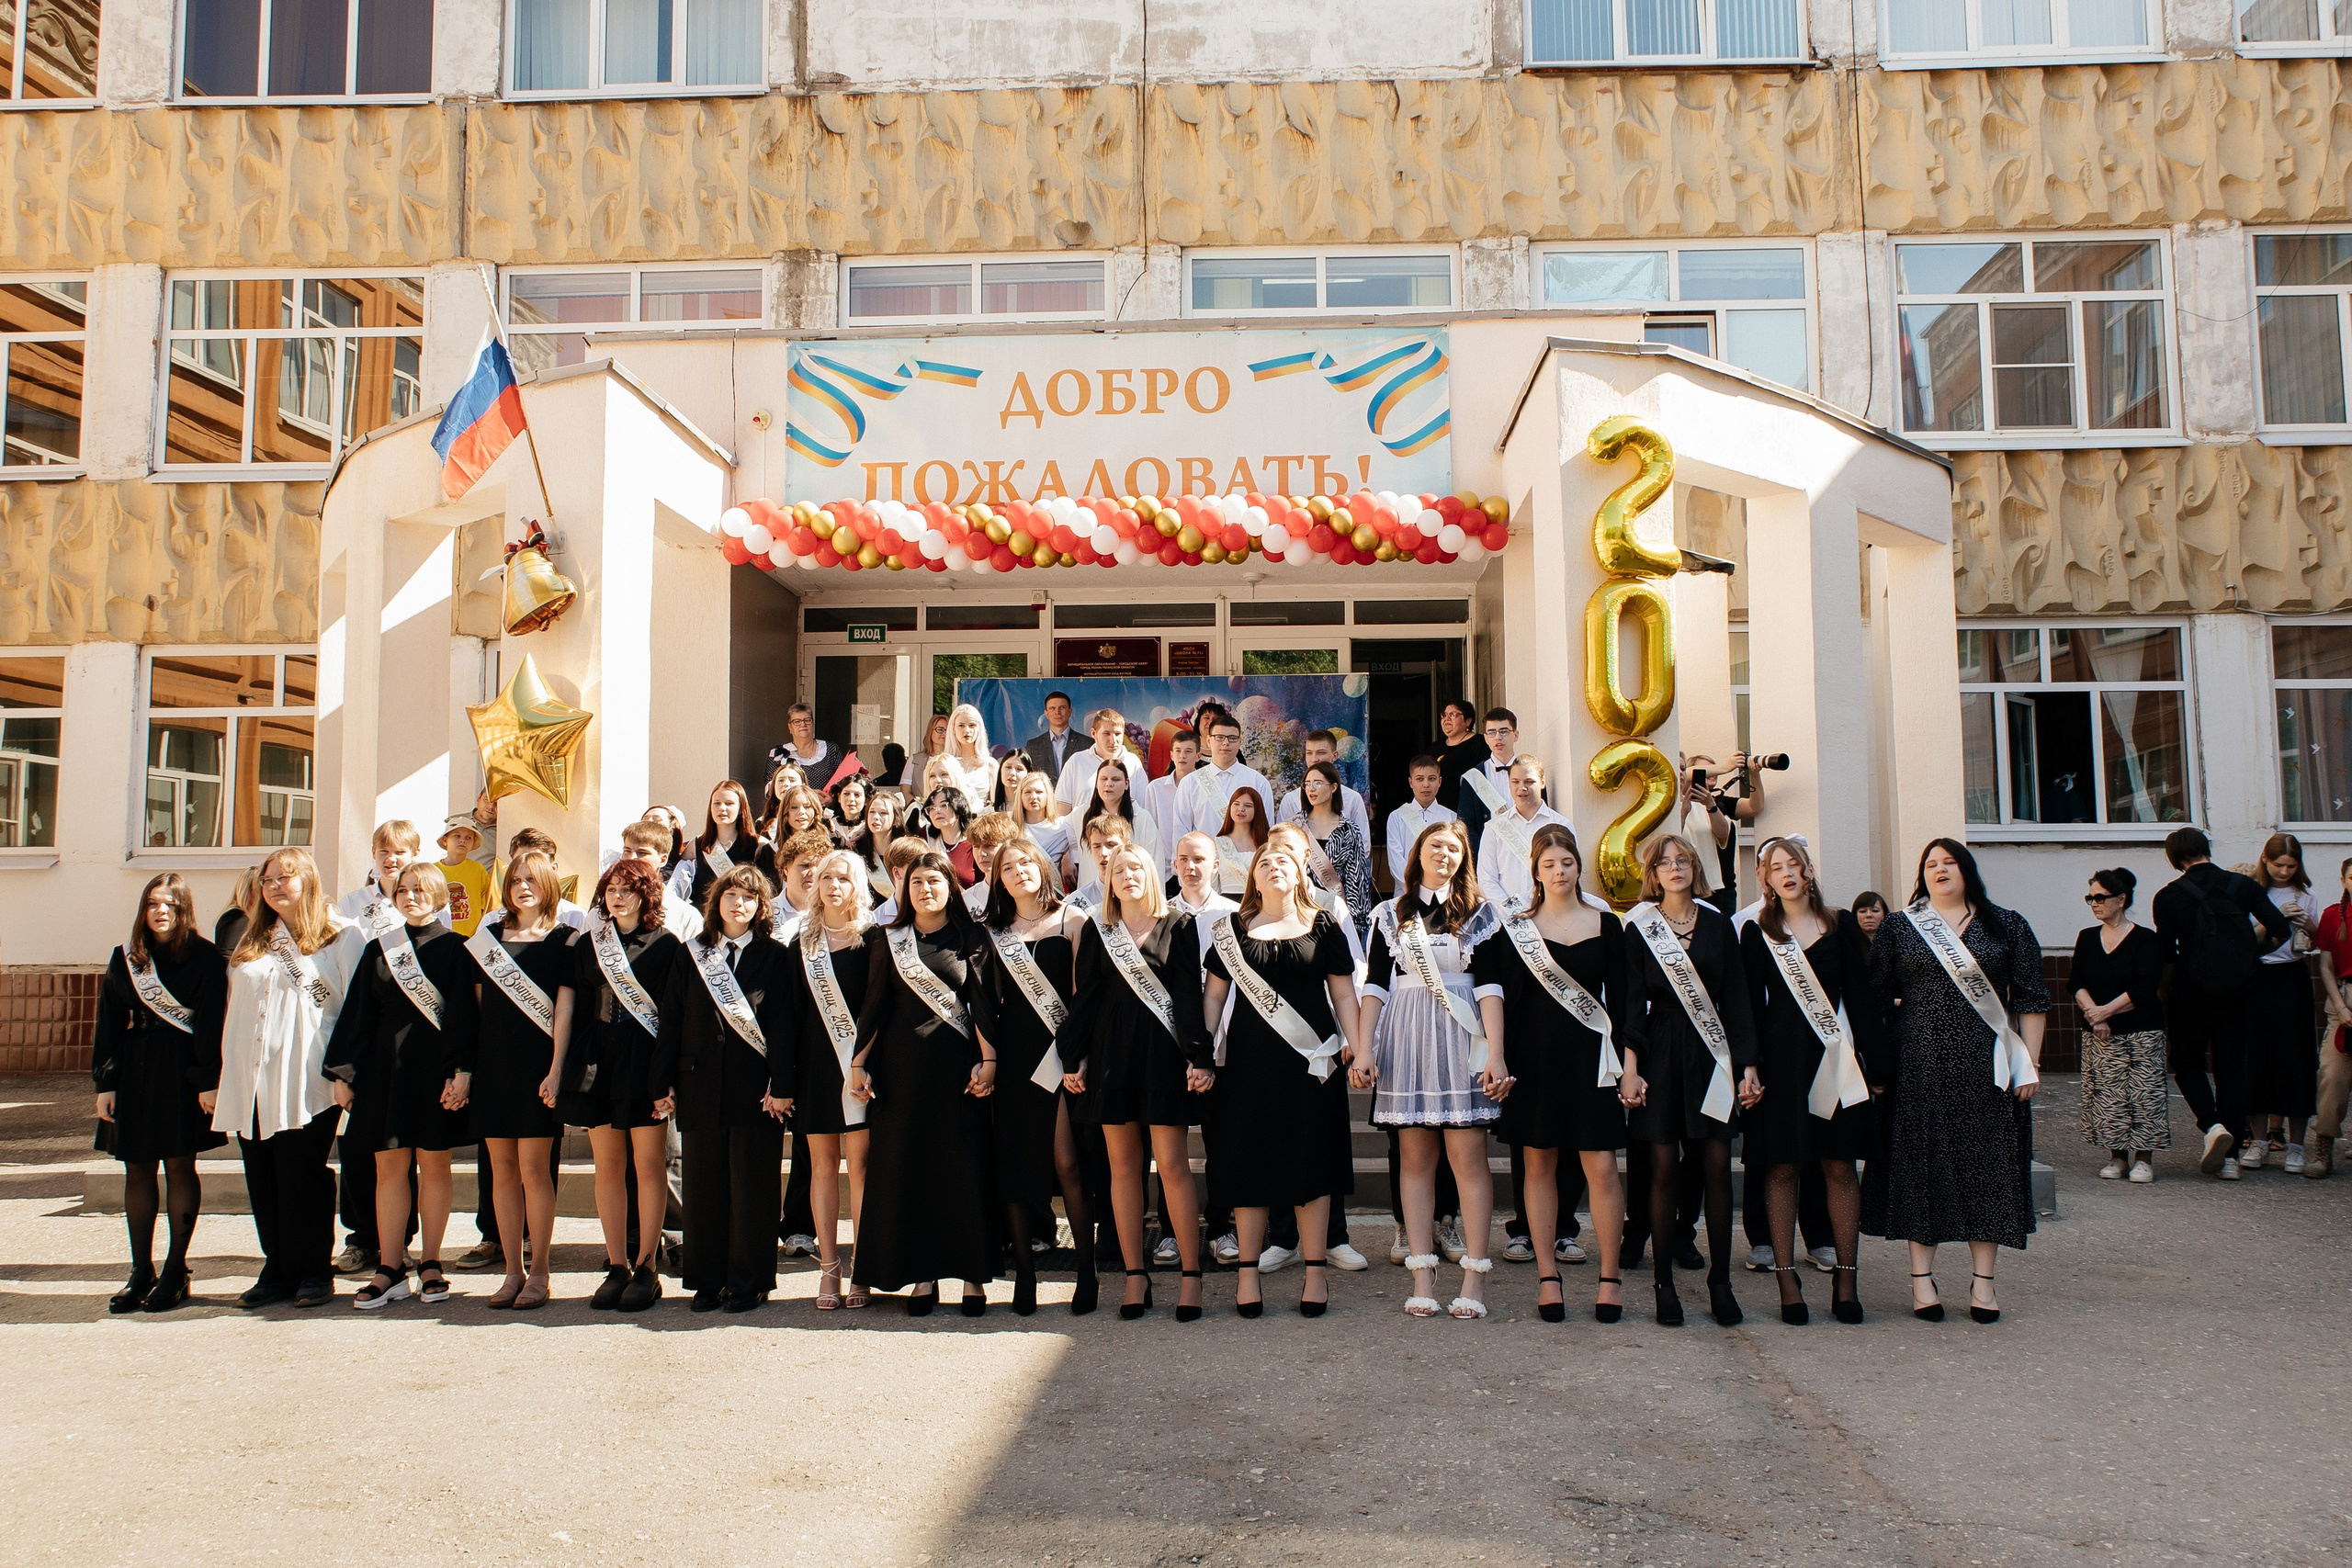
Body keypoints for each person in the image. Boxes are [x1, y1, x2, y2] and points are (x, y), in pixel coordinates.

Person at [1862, 839, 2046, 1325]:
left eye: (1949, 863)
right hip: (1918, 1069)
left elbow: (2031, 998)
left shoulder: (2006, 924)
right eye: (1931, 864)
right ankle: (1921, 1280)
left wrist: (2029, 1063)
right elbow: (1874, 997)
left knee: (1988, 1171)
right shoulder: (1901, 926)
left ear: (1967, 869)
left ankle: (1983, 1282)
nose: (1939, 870)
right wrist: (1876, 1065)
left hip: (1989, 1069)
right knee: (1921, 1170)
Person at [1202, 840, 1368, 1317]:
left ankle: (1315, 1273)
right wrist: (1202, 1052)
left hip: (1312, 1063)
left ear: (1299, 874)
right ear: (1252, 877)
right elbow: (1214, 997)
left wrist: (1360, 1050)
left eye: (1284, 862)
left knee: (1312, 1164)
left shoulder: (1324, 924)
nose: (1274, 867)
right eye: (1265, 863)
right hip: (1249, 1065)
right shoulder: (1232, 929)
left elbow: (1343, 995)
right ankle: (1248, 1274)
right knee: (1250, 1163)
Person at [1356, 820, 1510, 1320]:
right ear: (1418, 852)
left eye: (1453, 848)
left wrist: (1496, 1053)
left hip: (1463, 1037)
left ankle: (1474, 1276)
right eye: (1434, 845)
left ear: (1464, 858)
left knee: (1468, 1158)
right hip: (1408, 1037)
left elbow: (1490, 986)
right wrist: (1364, 1048)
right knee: (1415, 1159)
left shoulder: (1480, 913)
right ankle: (1422, 1274)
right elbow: (1375, 987)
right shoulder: (1390, 914)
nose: (1443, 853)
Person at [1481, 825, 1628, 1324]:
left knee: (1602, 1168)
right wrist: (1498, 1056)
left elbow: (1624, 1003)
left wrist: (1629, 1066)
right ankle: (1548, 1276)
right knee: (1538, 1165)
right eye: (1549, 864)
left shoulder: (1607, 925)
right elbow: (1497, 995)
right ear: (1536, 872)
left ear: (1578, 866)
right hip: (1535, 1061)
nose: (1559, 871)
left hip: (1593, 1061)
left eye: (1567, 862)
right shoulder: (1516, 930)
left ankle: (1610, 1277)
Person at [850, 851, 1004, 1316]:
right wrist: (859, 1064)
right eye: (916, 882)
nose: (924, 889)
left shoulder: (971, 936)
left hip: (956, 1072)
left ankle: (973, 1277)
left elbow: (982, 1003)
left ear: (950, 888)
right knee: (911, 1170)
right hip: (901, 1073)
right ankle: (923, 1276)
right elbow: (874, 1006)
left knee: (963, 1170)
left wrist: (989, 1060)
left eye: (934, 881)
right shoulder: (888, 938)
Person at [212, 847, 366, 1310]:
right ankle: (277, 1268)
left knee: (302, 1174)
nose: (276, 886)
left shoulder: (342, 935)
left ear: (309, 881)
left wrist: (346, 1073)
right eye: (269, 879)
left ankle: (314, 1271)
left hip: (309, 1078)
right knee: (262, 1174)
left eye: (286, 877)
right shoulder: (253, 937)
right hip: (252, 1077)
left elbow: (358, 1010)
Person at [1064, 842, 1212, 1320]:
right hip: (1112, 1053)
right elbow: (1086, 997)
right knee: (1123, 1167)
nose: (1128, 876)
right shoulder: (1098, 928)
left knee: (1172, 1165)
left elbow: (1187, 994)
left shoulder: (1179, 925)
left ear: (1151, 875)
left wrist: (1198, 1053)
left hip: (1162, 1053)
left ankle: (1191, 1275)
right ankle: (1134, 1275)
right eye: (1119, 870)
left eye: (1136, 869)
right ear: (1109, 881)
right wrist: (1076, 1056)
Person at [1619, 833, 1760, 1327]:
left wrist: (1748, 1065)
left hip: (1710, 1054)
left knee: (1717, 1164)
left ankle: (1720, 1283)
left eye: (1682, 860)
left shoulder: (1720, 925)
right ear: (1653, 875)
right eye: (1664, 863)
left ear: (1695, 867)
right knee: (1662, 1167)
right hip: (1658, 1050)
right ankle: (1663, 1284)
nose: (1674, 868)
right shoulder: (1640, 928)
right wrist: (1630, 1069)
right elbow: (1631, 1004)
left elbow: (1738, 998)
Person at [322, 861, 477, 1311]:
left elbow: (465, 1017)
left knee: (435, 1165)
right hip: (384, 1073)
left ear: (439, 895)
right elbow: (359, 1015)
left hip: (435, 1071)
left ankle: (431, 1263)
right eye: (404, 889)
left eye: (420, 889)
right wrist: (344, 1073)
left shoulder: (458, 949)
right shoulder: (380, 948)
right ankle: (390, 1267)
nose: (410, 896)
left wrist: (462, 1071)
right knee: (388, 1168)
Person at [1740, 837, 1880, 1326]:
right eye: (1776, 867)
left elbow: (1861, 998)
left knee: (1840, 1167)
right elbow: (1747, 1004)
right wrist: (1749, 1065)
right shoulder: (1758, 932)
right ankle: (1786, 1280)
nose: (1786, 873)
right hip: (1781, 1064)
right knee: (1782, 1169)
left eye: (1793, 865)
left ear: (1809, 871)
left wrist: (1876, 1066)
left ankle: (1847, 1278)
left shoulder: (1841, 926)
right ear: (1767, 879)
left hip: (1834, 1061)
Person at [652, 863, 793, 1313]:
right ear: (716, 902)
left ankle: (750, 1281)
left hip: (756, 1092)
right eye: (731, 895)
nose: (739, 904)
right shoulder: (691, 953)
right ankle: (707, 1280)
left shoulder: (776, 957)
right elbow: (671, 1020)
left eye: (749, 897)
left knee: (753, 1188)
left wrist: (782, 1084)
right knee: (704, 1188)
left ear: (761, 906)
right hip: (699, 1085)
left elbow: (785, 1026)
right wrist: (663, 1081)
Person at [549, 857, 680, 1313]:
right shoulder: (590, 943)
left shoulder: (666, 945)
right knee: (607, 1165)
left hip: (645, 1060)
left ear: (646, 894)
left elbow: (673, 1016)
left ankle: (648, 1267)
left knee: (648, 1165)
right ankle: (617, 1265)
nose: (618, 896)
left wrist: (667, 1077)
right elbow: (569, 1007)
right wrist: (557, 1068)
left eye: (628, 888)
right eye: (611, 889)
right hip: (598, 1059)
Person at [94, 874, 228, 1314]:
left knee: (179, 1165)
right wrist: (105, 1082)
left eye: (170, 903)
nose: (160, 911)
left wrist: (208, 1079)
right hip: (135, 1071)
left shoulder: (205, 956)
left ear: (183, 908)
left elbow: (211, 1021)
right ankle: (141, 1271)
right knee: (136, 1168)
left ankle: (175, 1269)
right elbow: (110, 1021)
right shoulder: (127, 956)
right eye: (152, 903)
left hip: (183, 1071)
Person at [981, 836, 1100, 1315]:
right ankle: (1025, 1275)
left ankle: (1087, 1272)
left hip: (1061, 1054)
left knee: (1067, 1163)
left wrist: (1076, 1056)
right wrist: (989, 1059)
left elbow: (1083, 994)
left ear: (1043, 867)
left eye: (1026, 863)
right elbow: (985, 1003)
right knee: (1015, 1164)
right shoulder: (992, 932)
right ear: (999, 880)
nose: (1018, 872)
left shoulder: (1073, 920)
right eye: (1008, 868)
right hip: (1014, 1057)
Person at [462, 852, 571, 1310]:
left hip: (537, 1068)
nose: (523, 887)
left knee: (533, 1170)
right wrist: (468, 1071)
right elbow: (476, 1009)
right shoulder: (486, 938)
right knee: (501, 1171)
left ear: (548, 884)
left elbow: (565, 1010)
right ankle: (511, 1272)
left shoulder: (564, 939)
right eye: (516, 880)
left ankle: (540, 1271)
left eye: (532, 879)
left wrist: (557, 1069)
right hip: (495, 1068)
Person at [2151, 827, 2292, 1179]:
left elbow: (2165, 954)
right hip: (2240, 991)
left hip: (2189, 992)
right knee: (2231, 1068)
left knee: (2186, 1063)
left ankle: (2213, 1126)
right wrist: (2250, 954)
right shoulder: (2242, 886)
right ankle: (2230, 1160)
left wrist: (2163, 994)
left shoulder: (2168, 897)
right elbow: (2281, 928)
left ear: (2174, 857)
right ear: (2205, 849)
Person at [778, 849, 883, 1310]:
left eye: (843, 878)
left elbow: (878, 1008)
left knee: (860, 1169)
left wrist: (865, 1062)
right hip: (816, 1070)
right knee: (821, 1167)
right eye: (826, 878)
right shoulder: (801, 944)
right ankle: (828, 1269)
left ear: (857, 885)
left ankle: (862, 1266)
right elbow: (788, 1017)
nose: (833, 885)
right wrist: (783, 1079)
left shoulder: (875, 938)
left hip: (860, 1069)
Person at [329, 818, 427, 1277]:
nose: (391, 859)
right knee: (358, 1145)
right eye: (383, 851)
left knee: (401, 1143)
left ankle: (398, 1240)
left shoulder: (428, 898)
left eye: (400, 852)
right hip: (362, 1025)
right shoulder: (352, 904)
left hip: (406, 1036)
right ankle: (361, 1238)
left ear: (414, 855)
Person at [2071, 868, 2169, 1187]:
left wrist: (2105, 1012)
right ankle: (2117, 1156)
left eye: (2100, 898)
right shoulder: (2087, 937)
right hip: (2100, 1031)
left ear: (2121, 899)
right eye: (2090, 898)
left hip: (2141, 1029)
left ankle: (2144, 1159)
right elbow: (2076, 982)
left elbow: (2145, 987)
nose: (2094, 904)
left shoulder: (2145, 939)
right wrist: (2095, 1016)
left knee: (2144, 1095)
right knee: (2108, 1095)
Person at [2245, 833, 2323, 1173]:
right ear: (2265, 860)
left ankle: (2296, 1146)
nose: (2284, 872)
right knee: (2256, 1058)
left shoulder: (2305, 894)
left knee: (2296, 1058)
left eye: (2291, 866)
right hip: (2257, 975)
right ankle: (2259, 1142)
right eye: (2278, 865)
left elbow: (2314, 942)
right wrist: (2273, 919)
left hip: (2292, 976)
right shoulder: (2252, 893)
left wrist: (2309, 925)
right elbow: (2243, 940)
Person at [1476, 755, 1574, 915]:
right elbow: (1487, 879)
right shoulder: (1494, 828)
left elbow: (1570, 872)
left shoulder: (1562, 825)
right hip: (1506, 919)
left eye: (1529, 781)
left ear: (1542, 782)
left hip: (1552, 916)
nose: (1522, 788)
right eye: (1515, 782)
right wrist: (1513, 912)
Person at [2307, 857, 2352, 1180]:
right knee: (2333, 1077)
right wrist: (2341, 1008)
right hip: (2345, 1001)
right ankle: (2324, 1147)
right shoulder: (2333, 916)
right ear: (2343, 881)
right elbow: (2325, 966)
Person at [1296, 761, 1374, 941]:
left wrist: (1353, 923)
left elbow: (1356, 879)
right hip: (1300, 915)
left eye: (1317, 783)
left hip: (1336, 916)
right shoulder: (1294, 828)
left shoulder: (1348, 830)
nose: (1311, 789)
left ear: (1333, 787)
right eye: (1307, 784)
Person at [1176, 709, 1274, 840]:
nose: (1225, 743)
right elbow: (1181, 830)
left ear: (1240, 742)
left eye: (1232, 738)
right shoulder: (1190, 782)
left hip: (1247, 853)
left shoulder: (1257, 782)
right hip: (1204, 853)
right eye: (1219, 737)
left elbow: (1266, 830)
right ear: (1209, 740)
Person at [1073, 755, 1162, 896]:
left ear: (1127, 784)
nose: (1109, 784)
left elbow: (1155, 865)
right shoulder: (1080, 815)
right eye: (1104, 779)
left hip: (1131, 898)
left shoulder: (1142, 818)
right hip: (1091, 898)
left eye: (1116, 779)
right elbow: (1054, 832)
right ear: (1096, 784)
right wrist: (1065, 857)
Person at [674, 780, 766, 912]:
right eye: (717, 803)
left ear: (741, 808)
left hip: (740, 915)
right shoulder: (697, 844)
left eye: (729, 803)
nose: (722, 808)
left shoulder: (757, 844)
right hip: (705, 917)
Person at [1275, 729, 1373, 846]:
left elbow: (1364, 844)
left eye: (1320, 753)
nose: (1314, 759)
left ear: (1335, 755)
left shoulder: (1352, 799)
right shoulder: (1291, 799)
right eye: (1309, 753)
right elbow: (1281, 843)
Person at [1453, 706, 1528, 857]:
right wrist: (1484, 858)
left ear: (1515, 735)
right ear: (1486, 738)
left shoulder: (1531, 774)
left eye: (1504, 731)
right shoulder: (1472, 778)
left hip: (1526, 854)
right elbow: (1467, 827)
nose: (1498, 738)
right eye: (1492, 732)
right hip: (1488, 858)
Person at [1385, 754, 1459, 888]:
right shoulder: (1397, 817)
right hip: (1407, 891)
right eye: (1419, 779)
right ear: (1411, 782)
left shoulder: (1451, 818)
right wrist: (1416, 888)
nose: (1426, 785)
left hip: (1443, 891)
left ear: (1439, 782)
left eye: (1432, 779)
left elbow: (1454, 857)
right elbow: (1396, 862)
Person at [1055, 706, 1143, 813]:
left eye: (1117, 734)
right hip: (1082, 824)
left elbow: (1143, 807)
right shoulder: (1076, 761)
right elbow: (1062, 810)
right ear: (1093, 733)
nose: (1113, 740)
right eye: (1106, 734)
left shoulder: (1133, 762)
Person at [1145, 728, 1202, 856]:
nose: (1182, 756)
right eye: (1178, 751)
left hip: (1196, 859)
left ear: (1198, 756)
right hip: (1164, 862)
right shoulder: (1155, 788)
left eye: (1188, 751)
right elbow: (1149, 828)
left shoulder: (1206, 788)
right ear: (1171, 755)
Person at [770, 701, 849, 794]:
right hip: (791, 802)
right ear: (790, 727)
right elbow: (770, 786)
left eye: (807, 720)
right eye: (797, 722)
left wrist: (831, 799)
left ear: (813, 723)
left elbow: (844, 781)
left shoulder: (831, 749)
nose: (803, 725)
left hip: (824, 802)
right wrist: (808, 795)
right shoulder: (778, 752)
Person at [435, 816, 495, 938]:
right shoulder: (433, 871)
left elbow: (488, 904)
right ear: (445, 840)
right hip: (440, 938)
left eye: (468, 838)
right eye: (457, 836)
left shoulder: (478, 870)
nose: (462, 840)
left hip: (471, 937)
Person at [939, 703, 997, 817]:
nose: (967, 730)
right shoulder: (944, 764)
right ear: (953, 729)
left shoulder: (990, 764)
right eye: (961, 725)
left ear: (979, 728)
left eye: (972, 725)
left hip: (981, 822)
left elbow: (996, 806)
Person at [919, 784, 980, 886]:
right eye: (932, 808)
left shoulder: (975, 844)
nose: (937, 811)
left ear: (959, 807)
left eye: (943, 805)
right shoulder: (924, 836)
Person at [1214, 786, 1270, 897]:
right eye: (1236, 804)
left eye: (1248, 806)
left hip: (1259, 902)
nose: (1241, 809)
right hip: (1226, 902)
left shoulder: (1267, 844)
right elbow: (1212, 885)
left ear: (1257, 810)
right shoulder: (1218, 843)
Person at [1434, 699, 1485, 813]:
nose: (1446, 719)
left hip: (1468, 809)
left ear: (1468, 721)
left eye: (1453, 715)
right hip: (1439, 812)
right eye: (1444, 715)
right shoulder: (1435, 748)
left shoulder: (1481, 744)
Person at [1021, 692, 1079, 783]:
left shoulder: (1087, 744)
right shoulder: (1033, 746)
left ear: (1070, 711)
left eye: (1062, 708)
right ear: (1046, 713)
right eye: (1052, 708)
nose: (1057, 712)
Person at [858, 791, 904, 903]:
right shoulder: (857, 851)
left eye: (883, 813)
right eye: (872, 812)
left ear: (895, 819)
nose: (876, 817)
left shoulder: (906, 852)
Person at [903, 713, 952, 795]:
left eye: (948, 731)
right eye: (940, 729)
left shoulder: (956, 760)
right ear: (930, 731)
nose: (944, 733)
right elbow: (905, 791)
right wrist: (915, 804)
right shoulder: (914, 760)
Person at [990, 750, 1030, 815]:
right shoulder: (988, 813)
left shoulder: (1035, 810)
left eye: (1019, 769)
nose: (1012, 773)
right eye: (1008, 767)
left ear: (1028, 773)